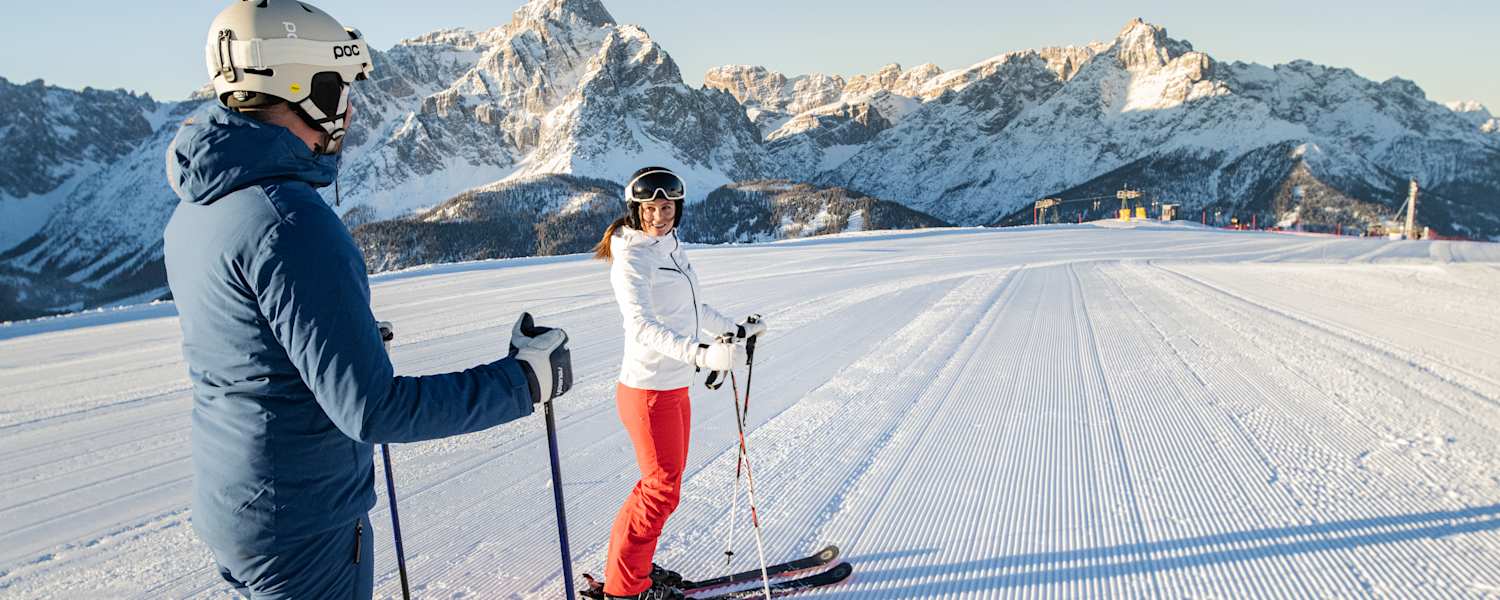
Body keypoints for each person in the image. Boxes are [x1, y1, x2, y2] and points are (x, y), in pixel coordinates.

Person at [162, 2, 573, 598]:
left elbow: (245, 343)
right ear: (303, 86)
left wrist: (330, 335)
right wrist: (524, 382)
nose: (349, 107)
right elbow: (374, 411)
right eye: (341, 87)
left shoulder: (200, 205)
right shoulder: (290, 220)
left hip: (241, 506)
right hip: (306, 523)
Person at [589, 167, 767, 600]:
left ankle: (633, 568)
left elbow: (690, 305)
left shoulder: (668, 245)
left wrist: (732, 330)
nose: (659, 215)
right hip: (648, 392)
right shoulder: (632, 257)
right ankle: (624, 590)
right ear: (636, 209)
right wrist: (703, 354)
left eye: (666, 206)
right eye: (650, 208)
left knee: (659, 487)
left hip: (672, 388)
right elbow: (643, 327)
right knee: (660, 491)